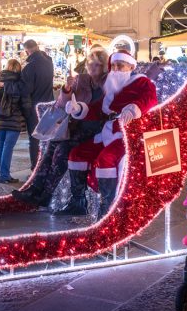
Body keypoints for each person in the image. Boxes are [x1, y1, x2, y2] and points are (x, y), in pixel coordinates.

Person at [12, 46, 110, 210]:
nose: (93, 68)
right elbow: (61, 105)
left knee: (62, 151)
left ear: (104, 66)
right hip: (76, 127)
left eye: (98, 65)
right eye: (91, 64)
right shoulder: (81, 80)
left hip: (95, 130)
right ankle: (36, 189)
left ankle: (46, 194)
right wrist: (67, 90)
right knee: (51, 147)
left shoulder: (108, 83)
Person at [65, 51, 158, 219]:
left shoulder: (141, 82)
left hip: (127, 135)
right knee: (76, 154)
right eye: (113, 65)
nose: (115, 69)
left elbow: (150, 98)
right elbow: (97, 108)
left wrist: (133, 108)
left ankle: (108, 208)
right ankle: (78, 202)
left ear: (131, 66)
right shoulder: (111, 88)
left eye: (120, 65)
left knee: (105, 159)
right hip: (108, 133)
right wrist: (78, 109)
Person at [19, 39, 54, 171]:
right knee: (47, 138)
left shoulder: (30, 67)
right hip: (49, 105)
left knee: (34, 138)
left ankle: (36, 168)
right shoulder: (49, 62)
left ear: (27, 50)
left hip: (35, 107)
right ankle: (47, 166)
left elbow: (26, 90)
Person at [0, 59, 27, 184]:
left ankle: (3, 173)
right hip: (13, 119)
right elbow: (20, 102)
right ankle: (4, 175)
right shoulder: (17, 83)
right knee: (8, 147)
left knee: (1, 145)